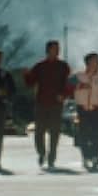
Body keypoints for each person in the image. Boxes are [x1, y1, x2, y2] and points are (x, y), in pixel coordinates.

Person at [24, 40, 71, 170]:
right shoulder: (39, 66)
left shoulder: (63, 66)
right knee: (39, 132)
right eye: (55, 48)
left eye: (58, 48)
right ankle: (41, 153)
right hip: (41, 103)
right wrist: (26, 75)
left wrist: (64, 95)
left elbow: (67, 85)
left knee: (55, 132)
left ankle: (51, 157)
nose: (57, 51)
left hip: (56, 104)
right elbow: (30, 83)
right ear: (48, 50)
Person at [72, 52, 98, 171]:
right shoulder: (79, 76)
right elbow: (69, 88)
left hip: (96, 108)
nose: (97, 63)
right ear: (88, 63)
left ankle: (95, 156)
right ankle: (86, 156)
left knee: (96, 134)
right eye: (95, 61)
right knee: (83, 134)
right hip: (82, 108)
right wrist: (80, 87)